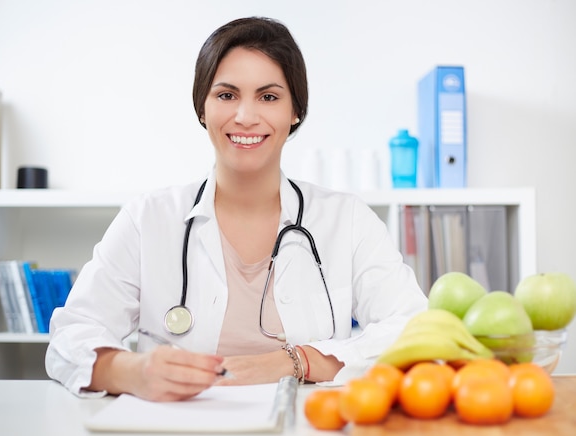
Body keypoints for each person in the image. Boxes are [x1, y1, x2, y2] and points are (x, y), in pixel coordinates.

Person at [45, 16, 427, 402]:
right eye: (227, 95)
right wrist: (130, 370)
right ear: (202, 108)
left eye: (269, 96)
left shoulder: (347, 220)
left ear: (295, 111)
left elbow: (415, 328)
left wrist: (298, 361)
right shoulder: (149, 219)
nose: (246, 116)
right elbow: (71, 335)